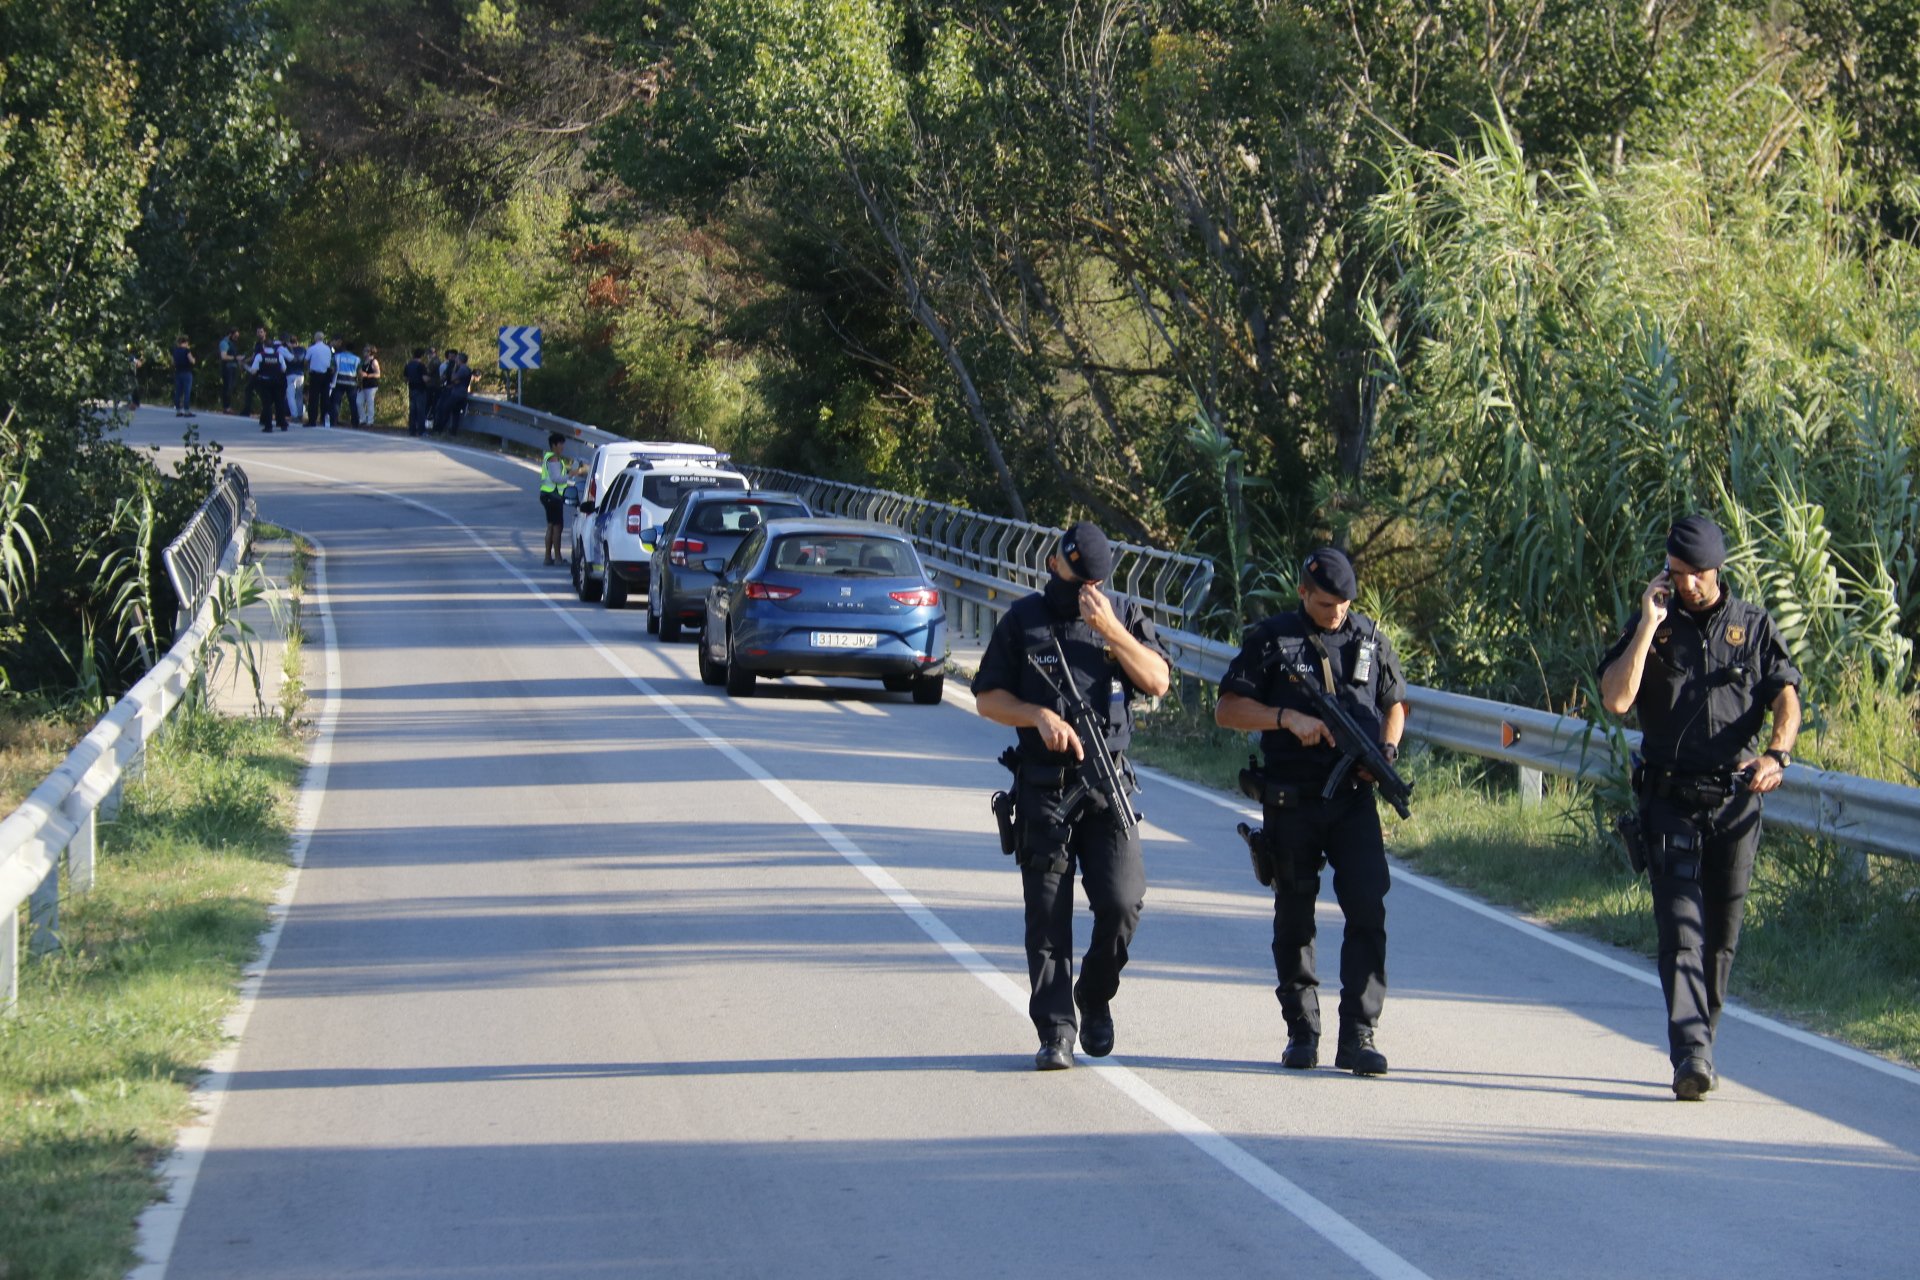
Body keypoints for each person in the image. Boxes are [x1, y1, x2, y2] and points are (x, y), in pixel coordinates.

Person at [1598, 514, 1801, 1101]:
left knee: (1720, 941)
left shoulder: (1753, 627)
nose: (1687, 584)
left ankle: (1700, 1045)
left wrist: (1777, 755)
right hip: (1668, 803)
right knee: (1681, 932)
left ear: (1719, 570)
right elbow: (1616, 700)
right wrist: (1646, 625)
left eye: (1697, 575)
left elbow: (1787, 697)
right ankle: (1690, 1052)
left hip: (1735, 805)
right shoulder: (1653, 626)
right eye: (1677, 573)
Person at [972, 521, 1171, 1070]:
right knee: (1047, 917)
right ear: (1057, 564)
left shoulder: (1120, 616)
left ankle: (1094, 994)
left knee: (1123, 901)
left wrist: (1112, 631)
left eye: (1098, 583)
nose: (1089, 591)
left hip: (1107, 783)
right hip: (1044, 784)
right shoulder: (1023, 620)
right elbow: (988, 699)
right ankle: (1056, 1030)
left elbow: (1157, 681)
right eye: (1081, 579)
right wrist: (1036, 716)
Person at [1215, 548, 1407, 1076]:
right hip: (1293, 801)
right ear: (1303, 593)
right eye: (1326, 604)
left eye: (1344, 603)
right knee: (1295, 916)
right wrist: (1284, 718)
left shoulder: (1368, 637)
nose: (1337, 613)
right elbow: (1227, 708)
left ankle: (1360, 1034)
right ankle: (1302, 1030)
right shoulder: (1273, 640)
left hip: (1353, 801)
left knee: (1369, 908)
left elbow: (1395, 703)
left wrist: (1386, 752)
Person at [539, 432, 582, 565]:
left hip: (547, 494)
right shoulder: (554, 459)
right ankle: (557, 558)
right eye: (560, 444)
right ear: (554, 445)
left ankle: (548, 557)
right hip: (553, 495)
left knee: (551, 526)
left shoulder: (549, 457)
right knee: (557, 527)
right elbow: (556, 478)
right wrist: (571, 474)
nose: (562, 446)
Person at [249, 332, 294, 432]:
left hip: (265, 382)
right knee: (279, 403)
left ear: (264, 346)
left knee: (267, 404)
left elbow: (253, 370)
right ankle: (282, 424)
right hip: (277, 382)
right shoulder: (278, 356)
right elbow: (284, 369)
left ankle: (268, 426)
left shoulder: (260, 356)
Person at [304, 331, 334, 426]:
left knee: (314, 398)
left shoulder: (312, 348)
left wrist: (308, 368)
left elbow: (306, 360)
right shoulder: (328, 349)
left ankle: (312, 420)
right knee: (325, 398)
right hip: (326, 374)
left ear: (315, 338)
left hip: (315, 375)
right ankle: (325, 420)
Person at [330, 342, 362, 427]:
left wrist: (331, 378)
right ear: (353, 350)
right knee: (353, 403)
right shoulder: (357, 359)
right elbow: (360, 373)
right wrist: (360, 382)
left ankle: (333, 421)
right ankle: (355, 422)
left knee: (336, 402)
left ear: (345, 348)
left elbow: (332, 369)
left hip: (339, 381)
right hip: (352, 382)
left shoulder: (337, 356)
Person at [443, 350, 474, 435]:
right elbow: (457, 381)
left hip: (457, 393)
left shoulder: (462, 369)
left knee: (446, 409)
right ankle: (453, 432)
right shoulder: (466, 369)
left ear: (460, 360)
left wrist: (453, 371)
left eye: (456, 358)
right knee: (455, 412)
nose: (455, 360)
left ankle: (443, 429)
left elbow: (453, 379)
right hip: (462, 393)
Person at [242, 326, 268, 417]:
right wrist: (244, 361)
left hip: (262, 371)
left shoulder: (266, 344)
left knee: (261, 392)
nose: (259, 334)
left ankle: (264, 411)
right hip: (255, 370)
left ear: (265, 333)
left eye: (261, 332)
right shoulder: (257, 344)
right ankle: (247, 410)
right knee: (249, 389)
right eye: (258, 332)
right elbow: (254, 356)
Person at [404, 348, 429, 435]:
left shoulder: (408, 365)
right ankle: (421, 430)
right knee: (421, 411)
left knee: (412, 410)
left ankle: (412, 430)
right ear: (422, 356)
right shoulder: (421, 366)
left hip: (411, 389)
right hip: (421, 390)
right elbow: (425, 379)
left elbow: (406, 379)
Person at [171, 336, 197, 417]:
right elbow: (191, 360)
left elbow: (173, 362)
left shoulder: (175, 351)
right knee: (187, 392)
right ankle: (186, 411)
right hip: (186, 372)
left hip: (178, 372)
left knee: (178, 392)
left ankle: (178, 410)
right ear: (185, 342)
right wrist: (194, 360)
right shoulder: (186, 350)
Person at [218, 328, 241, 413]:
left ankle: (228, 406)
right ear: (230, 334)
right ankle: (226, 407)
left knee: (231, 387)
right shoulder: (225, 343)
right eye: (235, 336)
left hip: (233, 367)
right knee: (227, 387)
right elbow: (223, 356)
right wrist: (235, 358)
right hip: (227, 368)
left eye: (237, 336)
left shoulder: (232, 343)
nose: (236, 338)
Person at [358, 345, 382, 426]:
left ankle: (370, 421)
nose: (364, 352)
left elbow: (378, 374)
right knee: (359, 402)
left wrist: (367, 375)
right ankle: (363, 418)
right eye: (364, 350)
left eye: (366, 351)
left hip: (371, 385)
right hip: (363, 385)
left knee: (370, 402)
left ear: (370, 352)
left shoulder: (374, 362)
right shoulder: (363, 362)